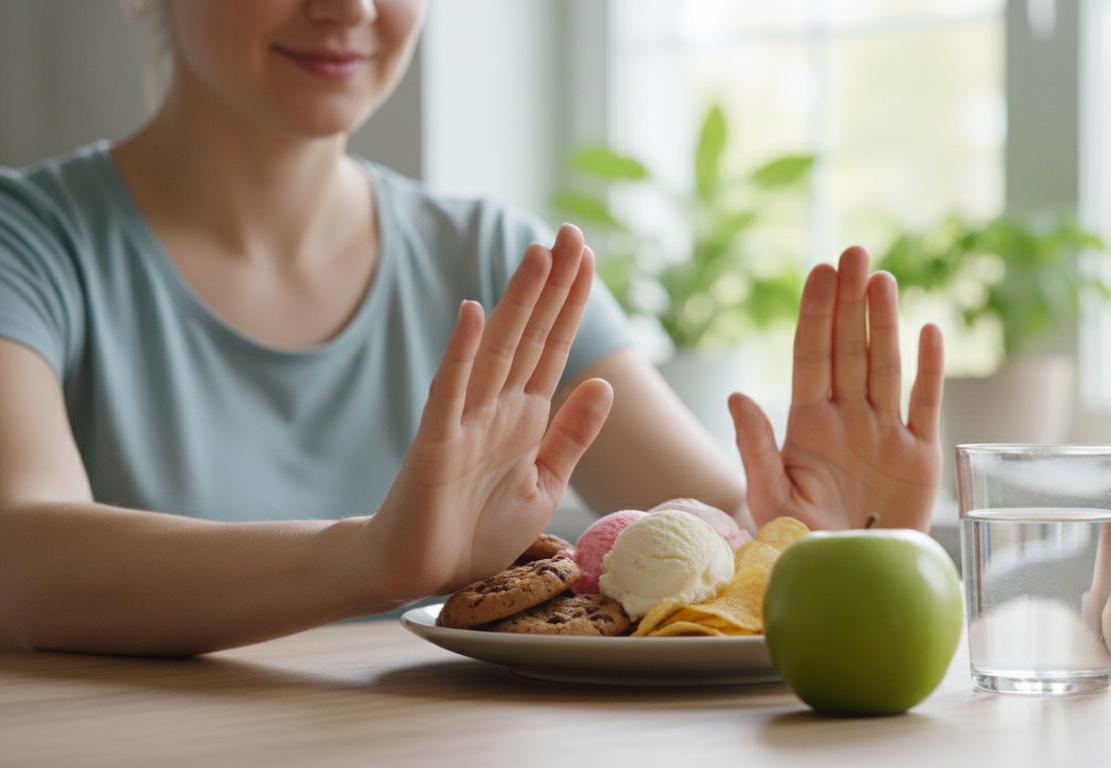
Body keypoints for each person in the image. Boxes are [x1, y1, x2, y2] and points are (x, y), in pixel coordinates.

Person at [0, 0, 945, 656]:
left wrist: (826, 544)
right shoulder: (29, 244)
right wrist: (369, 561)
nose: (349, 8)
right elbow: (20, 561)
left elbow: (719, 536)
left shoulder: (502, 259)